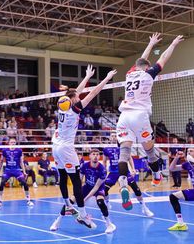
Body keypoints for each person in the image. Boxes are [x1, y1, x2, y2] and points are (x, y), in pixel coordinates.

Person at [116, 33, 184, 210]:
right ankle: (155, 173)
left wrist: (151, 43)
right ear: (146, 67)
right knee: (149, 150)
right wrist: (174, 44)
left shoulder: (129, 75)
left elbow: (142, 60)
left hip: (123, 117)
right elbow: (163, 58)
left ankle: (123, 184)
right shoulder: (148, 74)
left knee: (124, 152)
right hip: (140, 116)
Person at [51, 64, 117, 229]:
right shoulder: (75, 109)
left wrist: (87, 77)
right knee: (76, 182)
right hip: (66, 148)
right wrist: (107, 78)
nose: (79, 98)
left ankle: (67, 204)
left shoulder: (61, 107)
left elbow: (75, 93)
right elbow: (93, 92)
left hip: (55, 145)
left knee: (62, 177)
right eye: (77, 97)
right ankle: (82, 214)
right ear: (73, 100)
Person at [50, 149, 116, 234]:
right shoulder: (85, 166)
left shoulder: (102, 169)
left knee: (100, 202)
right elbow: (79, 181)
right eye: (93, 154)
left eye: (97, 154)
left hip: (98, 188)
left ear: (99, 157)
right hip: (87, 186)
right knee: (69, 202)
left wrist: (84, 200)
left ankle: (109, 224)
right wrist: (77, 194)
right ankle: (57, 222)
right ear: (89, 156)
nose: (95, 156)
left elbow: (96, 188)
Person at [103, 133, 154, 216]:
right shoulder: (106, 149)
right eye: (111, 136)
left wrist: (133, 169)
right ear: (109, 138)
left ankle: (144, 208)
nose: (113, 137)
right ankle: (107, 203)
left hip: (124, 171)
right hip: (113, 173)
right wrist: (104, 172)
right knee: (104, 190)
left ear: (117, 137)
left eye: (114, 135)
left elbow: (130, 158)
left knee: (136, 189)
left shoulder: (123, 147)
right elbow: (104, 161)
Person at [0, 138, 33, 207]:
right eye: (11, 142)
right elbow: (1, 161)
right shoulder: (4, 150)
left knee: (24, 183)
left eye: (14, 142)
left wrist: (24, 172)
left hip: (17, 170)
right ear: (9, 143)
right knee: (2, 183)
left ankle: (28, 199)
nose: (13, 144)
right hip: (8, 170)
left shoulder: (19, 151)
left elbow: (21, 162)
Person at [168, 148, 194, 231]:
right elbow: (172, 169)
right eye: (188, 151)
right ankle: (181, 223)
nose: (189, 152)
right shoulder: (187, 164)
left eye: (192, 151)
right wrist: (176, 158)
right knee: (173, 197)